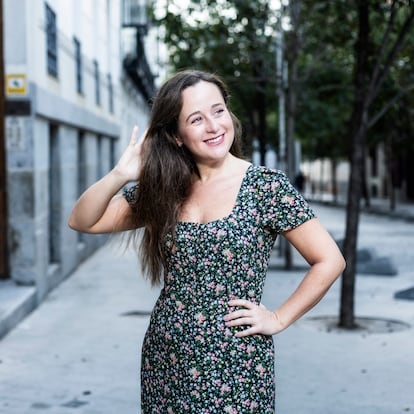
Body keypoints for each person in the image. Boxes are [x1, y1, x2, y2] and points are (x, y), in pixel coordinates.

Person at [68, 70, 345, 413]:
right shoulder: (165, 187)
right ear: (177, 135)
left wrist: (277, 318)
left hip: (236, 362)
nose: (213, 126)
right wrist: (121, 174)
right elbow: (82, 220)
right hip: (166, 357)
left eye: (218, 111)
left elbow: (330, 260)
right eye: (196, 119)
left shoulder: (265, 186)